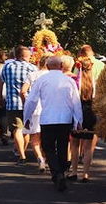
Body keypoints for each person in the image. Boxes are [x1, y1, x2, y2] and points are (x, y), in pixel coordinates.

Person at [23, 55, 83, 192]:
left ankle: (57, 172)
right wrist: (78, 120)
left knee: (48, 147)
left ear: (48, 66)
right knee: (62, 146)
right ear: (61, 66)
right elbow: (76, 102)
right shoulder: (69, 81)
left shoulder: (41, 80)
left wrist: (27, 118)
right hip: (65, 119)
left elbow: (31, 100)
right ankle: (61, 171)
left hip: (48, 119)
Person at [69, 45, 105, 182]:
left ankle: (73, 171)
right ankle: (85, 173)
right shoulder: (101, 65)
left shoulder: (77, 66)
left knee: (74, 142)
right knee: (89, 144)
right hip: (93, 107)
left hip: (78, 106)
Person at [0, 46, 37, 162]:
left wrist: (0, 98)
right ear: (25, 56)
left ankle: (22, 155)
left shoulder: (8, 67)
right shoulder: (33, 68)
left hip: (13, 103)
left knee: (17, 129)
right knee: (26, 129)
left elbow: (0, 83)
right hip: (29, 103)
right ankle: (22, 152)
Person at [22, 55, 50, 171]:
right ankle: (45, 157)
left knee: (35, 137)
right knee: (47, 136)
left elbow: (23, 91)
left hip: (34, 108)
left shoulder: (32, 75)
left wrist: (26, 103)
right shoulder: (52, 76)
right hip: (48, 108)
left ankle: (40, 158)